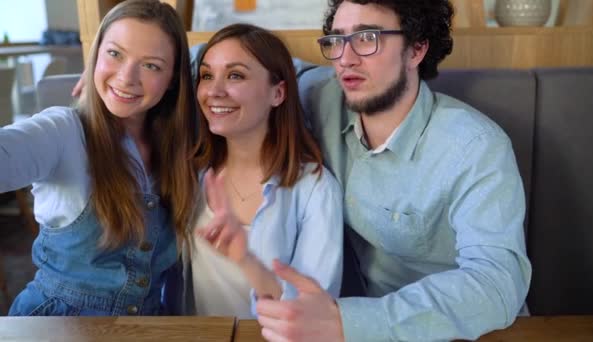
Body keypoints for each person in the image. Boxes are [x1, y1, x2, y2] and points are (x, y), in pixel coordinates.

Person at [253, 0, 532, 341]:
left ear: (416, 49)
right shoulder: (321, 96)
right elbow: (235, 56)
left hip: (472, 331)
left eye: (367, 38)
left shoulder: (475, 146)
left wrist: (350, 322)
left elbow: (495, 282)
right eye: (337, 40)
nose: (345, 59)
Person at [0, 0, 201, 316]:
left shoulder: (177, 141)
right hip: (55, 330)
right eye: (115, 54)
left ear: (174, 78)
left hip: (147, 329)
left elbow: (219, 64)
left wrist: (113, 59)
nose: (126, 78)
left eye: (151, 65)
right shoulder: (63, 130)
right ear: (94, 55)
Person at [165, 23, 343, 319]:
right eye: (207, 75)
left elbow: (312, 312)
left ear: (278, 93)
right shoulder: (190, 173)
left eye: (235, 75)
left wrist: (245, 259)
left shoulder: (315, 187)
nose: (214, 91)